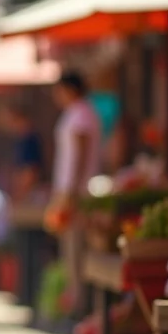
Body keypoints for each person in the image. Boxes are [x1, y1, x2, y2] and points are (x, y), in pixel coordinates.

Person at [47, 71, 101, 316]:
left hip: (75, 193)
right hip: (71, 191)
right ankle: (76, 306)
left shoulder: (81, 114)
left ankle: (80, 310)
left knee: (76, 252)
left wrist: (71, 194)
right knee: (72, 251)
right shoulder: (79, 113)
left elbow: (79, 155)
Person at [0, 104, 45, 204]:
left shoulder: (29, 139)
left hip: (30, 194)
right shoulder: (20, 140)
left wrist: (21, 194)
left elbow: (31, 170)